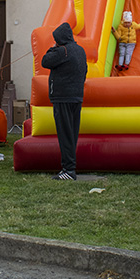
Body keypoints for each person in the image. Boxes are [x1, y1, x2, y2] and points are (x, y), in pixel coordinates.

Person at [41, 22, 88, 180]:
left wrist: (53, 47)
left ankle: (68, 170)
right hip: (77, 97)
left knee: (64, 134)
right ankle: (70, 167)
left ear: (59, 39)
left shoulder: (63, 51)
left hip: (62, 97)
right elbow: (85, 70)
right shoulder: (80, 50)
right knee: (72, 134)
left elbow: (45, 61)